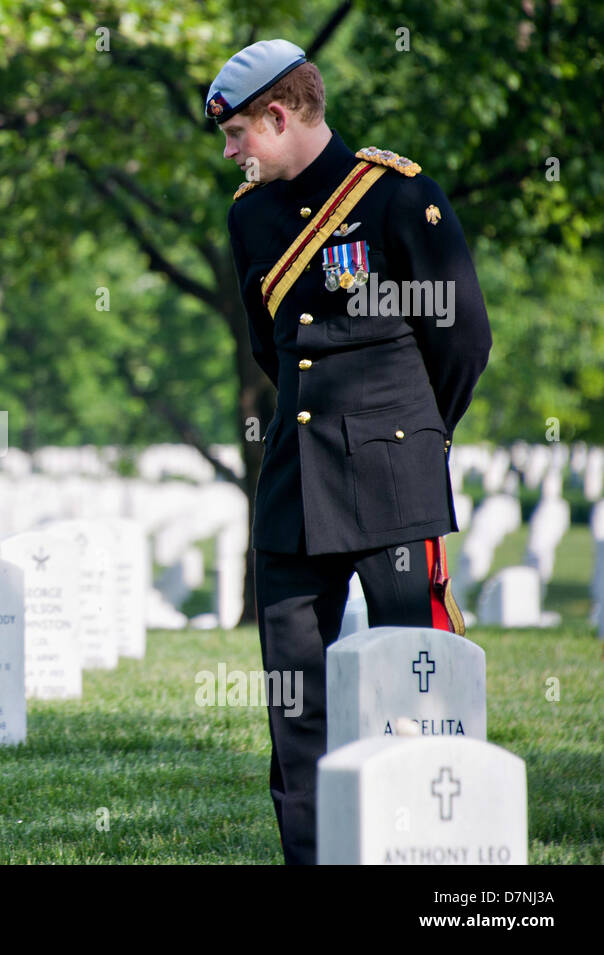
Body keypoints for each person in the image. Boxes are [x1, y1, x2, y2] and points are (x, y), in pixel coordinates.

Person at [209, 39, 492, 864]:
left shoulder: (401, 199)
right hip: (297, 486)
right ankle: (314, 852)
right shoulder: (248, 216)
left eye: (236, 135)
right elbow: (273, 349)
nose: (230, 153)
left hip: (393, 477)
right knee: (296, 705)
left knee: (417, 672)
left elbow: (462, 339)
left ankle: (435, 848)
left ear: (279, 114)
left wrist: (408, 436)